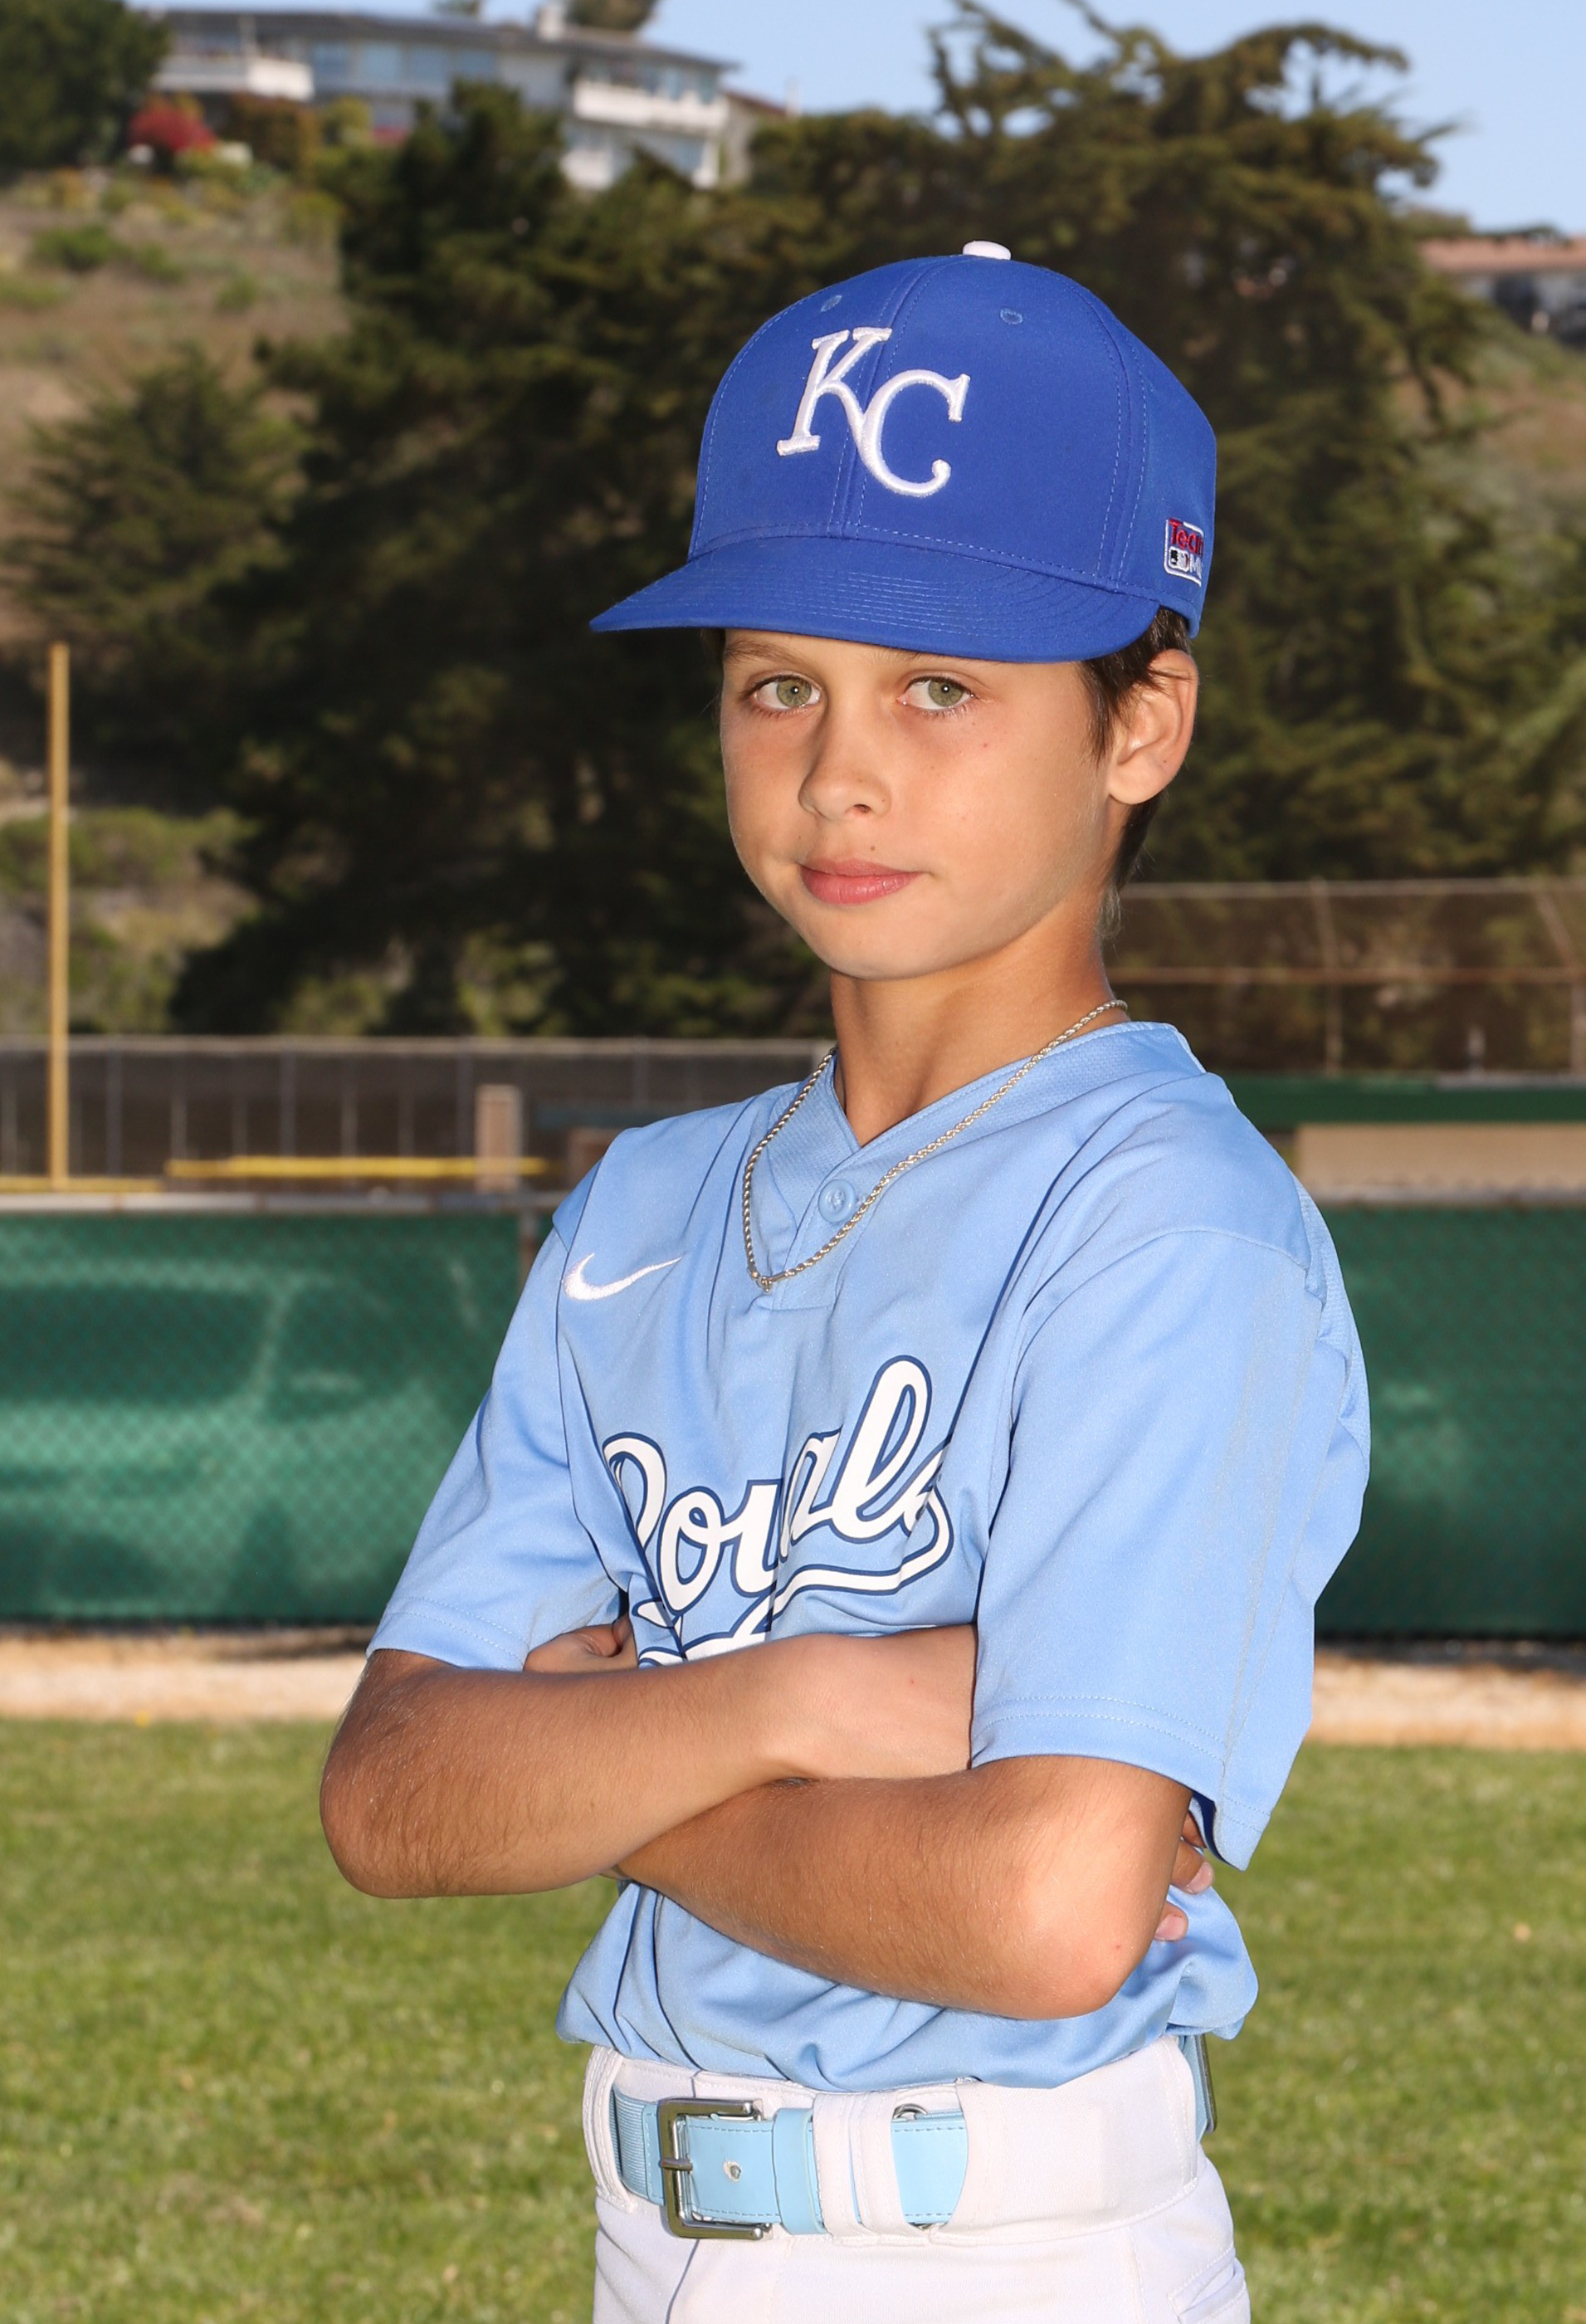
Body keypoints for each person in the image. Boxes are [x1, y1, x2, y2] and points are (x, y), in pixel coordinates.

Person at [320, 243, 1369, 2323]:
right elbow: (392, 1792)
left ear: (1141, 721)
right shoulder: (642, 1204)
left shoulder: (1166, 1223)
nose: (838, 773)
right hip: (652, 2237)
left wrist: (612, 1761)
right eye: (776, 682)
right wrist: (792, 1703)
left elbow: (1048, 1902)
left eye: (941, 686)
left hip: (1008, 2250)